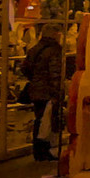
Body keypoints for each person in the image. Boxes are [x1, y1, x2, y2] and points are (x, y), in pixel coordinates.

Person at [21, 23, 67, 162]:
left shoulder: (35, 49)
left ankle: (38, 150)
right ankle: (45, 150)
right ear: (54, 34)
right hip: (48, 91)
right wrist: (57, 92)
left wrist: (35, 79)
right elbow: (55, 74)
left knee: (40, 120)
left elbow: (25, 68)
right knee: (48, 121)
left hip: (36, 90)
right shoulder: (54, 51)